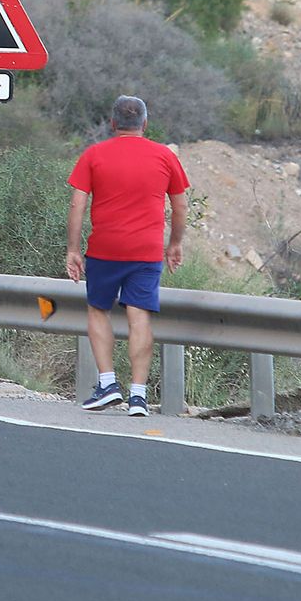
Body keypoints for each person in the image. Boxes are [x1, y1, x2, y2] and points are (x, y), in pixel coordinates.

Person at [65, 94, 189, 417]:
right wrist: (174, 244)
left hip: (105, 248)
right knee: (139, 316)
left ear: (113, 123)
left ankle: (107, 384)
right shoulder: (164, 156)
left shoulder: (93, 154)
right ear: (145, 124)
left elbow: (77, 204)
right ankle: (138, 396)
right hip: (146, 251)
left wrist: (73, 249)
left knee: (97, 309)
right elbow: (180, 206)